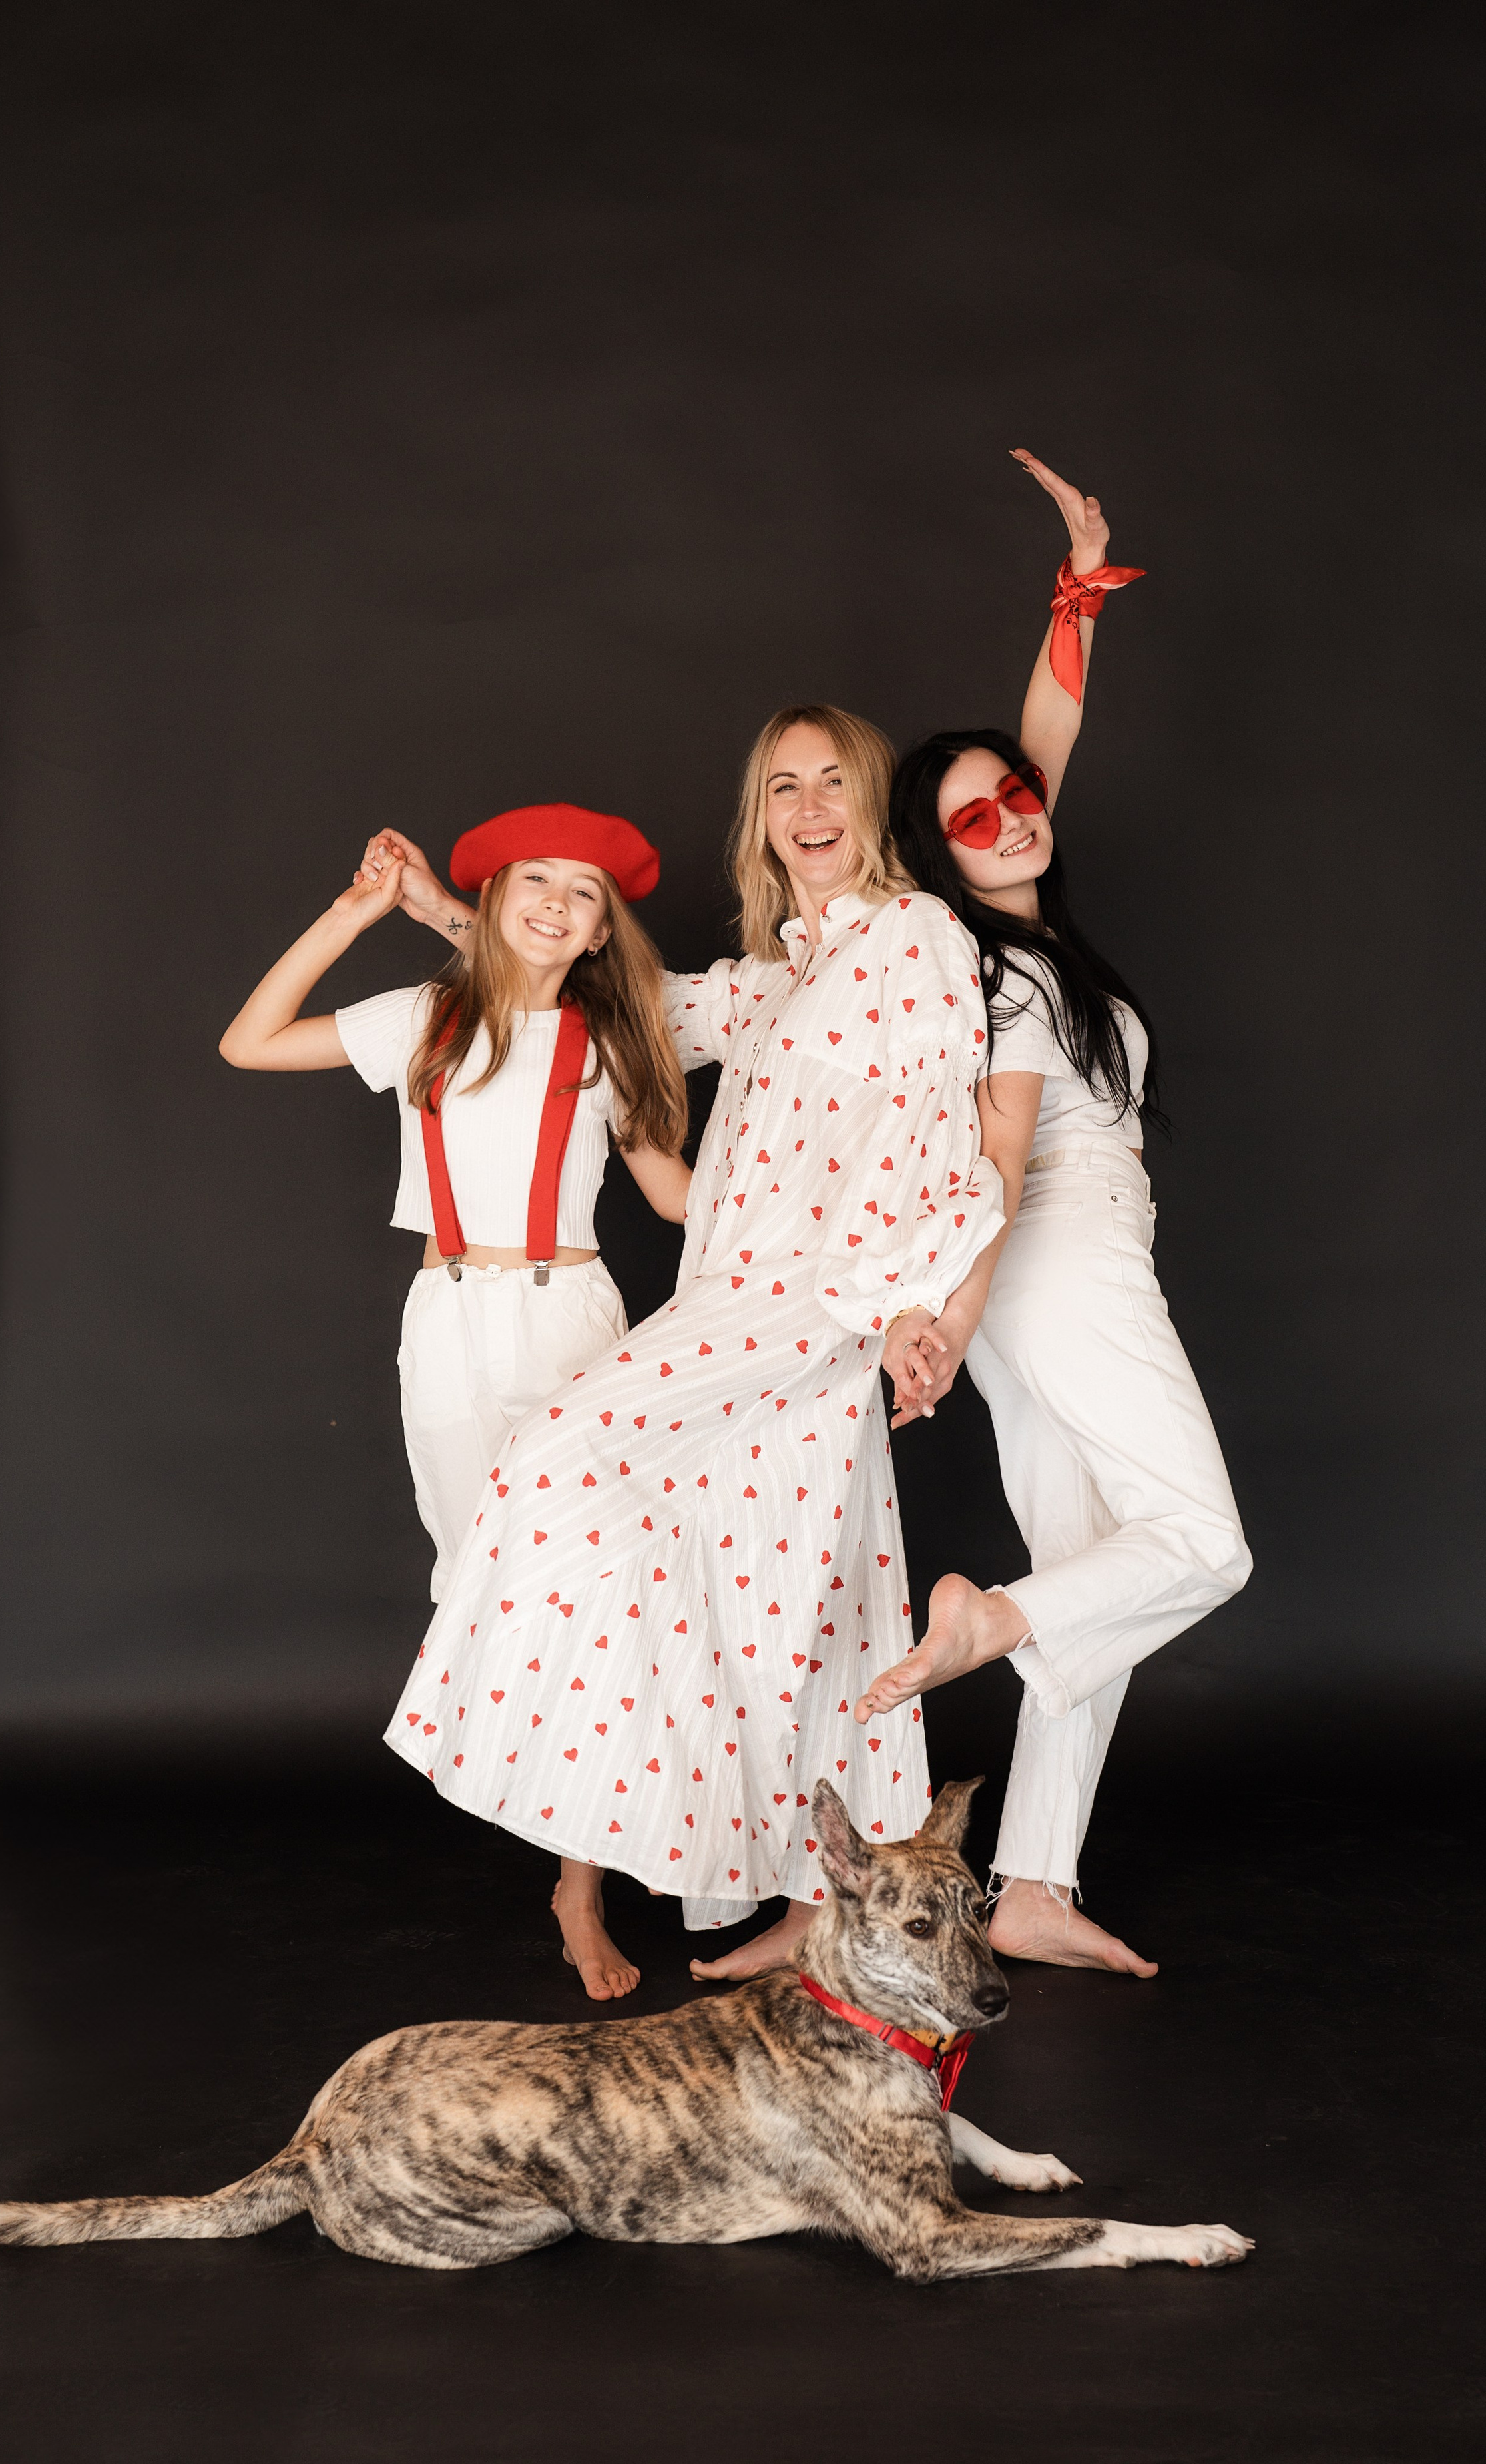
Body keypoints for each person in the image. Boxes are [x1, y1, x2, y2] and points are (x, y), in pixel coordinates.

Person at [373, 710, 1004, 1999]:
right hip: (726, 1295)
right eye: (784, 785)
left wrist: (906, 1305)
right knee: (776, 1609)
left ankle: (712, 1860)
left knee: (556, 1461)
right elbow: (602, 991)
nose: (809, 804)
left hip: (804, 1305)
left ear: (872, 805)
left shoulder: (917, 939)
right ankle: (805, 1888)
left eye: (835, 782)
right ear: (759, 814)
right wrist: (447, 910)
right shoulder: (778, 969)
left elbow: (943, 1136)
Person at [855, 457, 1252, 1976]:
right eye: (973, 815)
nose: (1011, 813)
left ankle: (1026, 1882)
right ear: (932, 856)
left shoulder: (1016, 931)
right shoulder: (975, 965)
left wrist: (1071, 594)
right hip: (1059, 1247)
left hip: (1030, 1274)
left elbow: (1038, 738)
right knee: (1196, 1544)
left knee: (1097, 1548)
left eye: (1016, 800)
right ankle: (992, 1620)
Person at [219, 804, 694, 1622]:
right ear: (498, 896)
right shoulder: (424, 1015)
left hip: (568, 1316)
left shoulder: (616, 1040)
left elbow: (676, 1196)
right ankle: (493, 1746)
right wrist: (351, 915)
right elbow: (249, 1041)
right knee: (472, 1557)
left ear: (599, 935)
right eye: (536, 878)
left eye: (584, 893)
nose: (555, 899)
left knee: (588, 1552)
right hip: (447, 1313)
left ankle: (588, 1744)